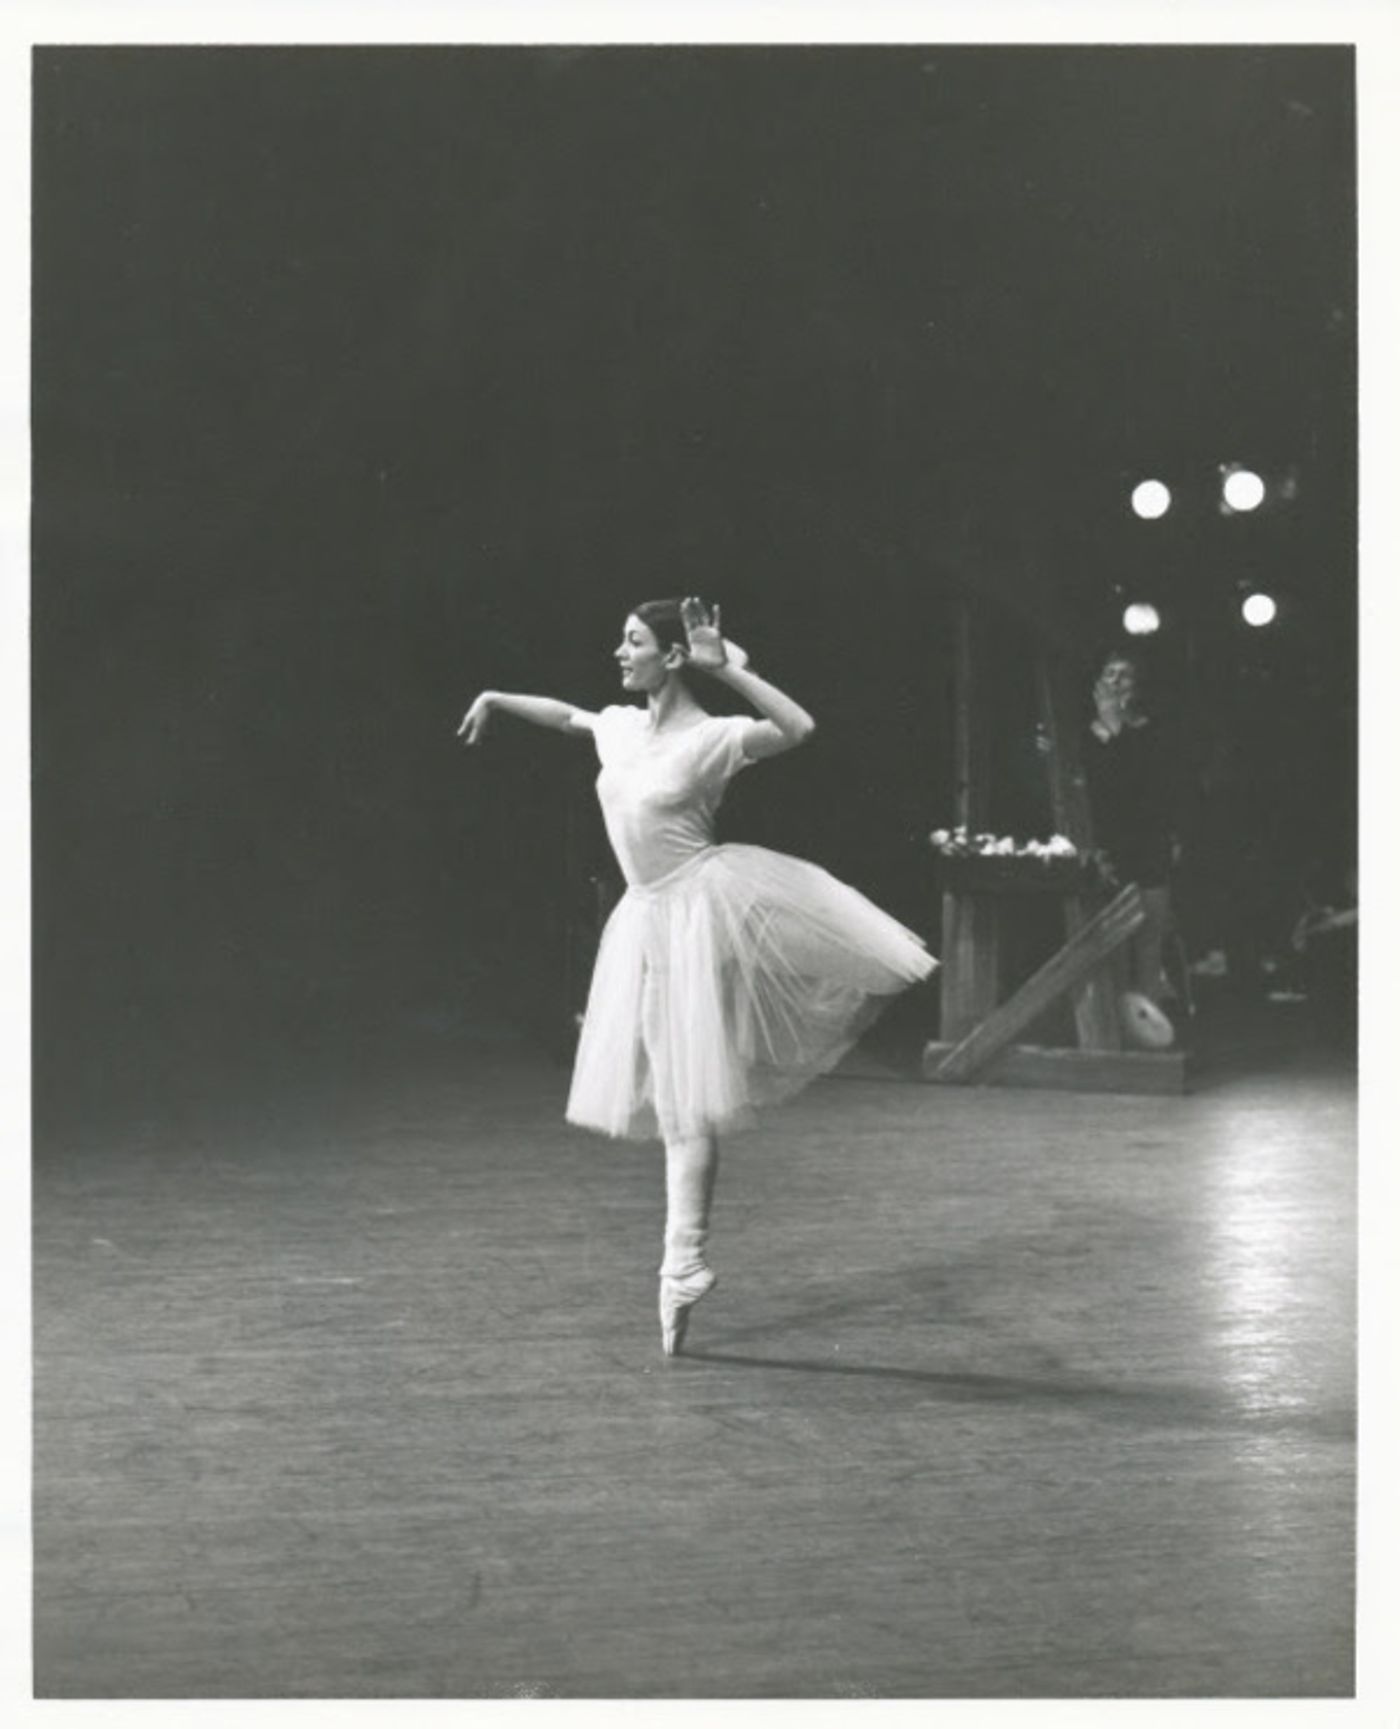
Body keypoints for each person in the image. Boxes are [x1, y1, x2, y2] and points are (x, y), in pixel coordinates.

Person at [458, 597, 936, 1355]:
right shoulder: (619, 727)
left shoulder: (710, 739)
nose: (620, 651)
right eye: (621, 638)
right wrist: (494, 697)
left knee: (688, 1096)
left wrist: (735, 671)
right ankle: (678, 1270)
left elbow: (799, 730)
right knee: (677, 1095)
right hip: (645, 918)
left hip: (700, 912)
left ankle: (683, 1260)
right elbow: (565, 717)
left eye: (635, 640)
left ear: (673, 656)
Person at [1083, 648, 1179, 1032]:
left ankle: (1148, 1021)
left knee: (1149, 933)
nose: (1117, 682)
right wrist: (1106, 724)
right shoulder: (1085, 734)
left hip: (1148, 840)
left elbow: (1145, 784)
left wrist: (1117, 724)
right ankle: (1110, 1023)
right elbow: (1100, 786)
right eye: (1110, 674)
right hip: (1107, 841)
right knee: (1111, 936)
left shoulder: (1151, 731)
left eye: (1125, 675)